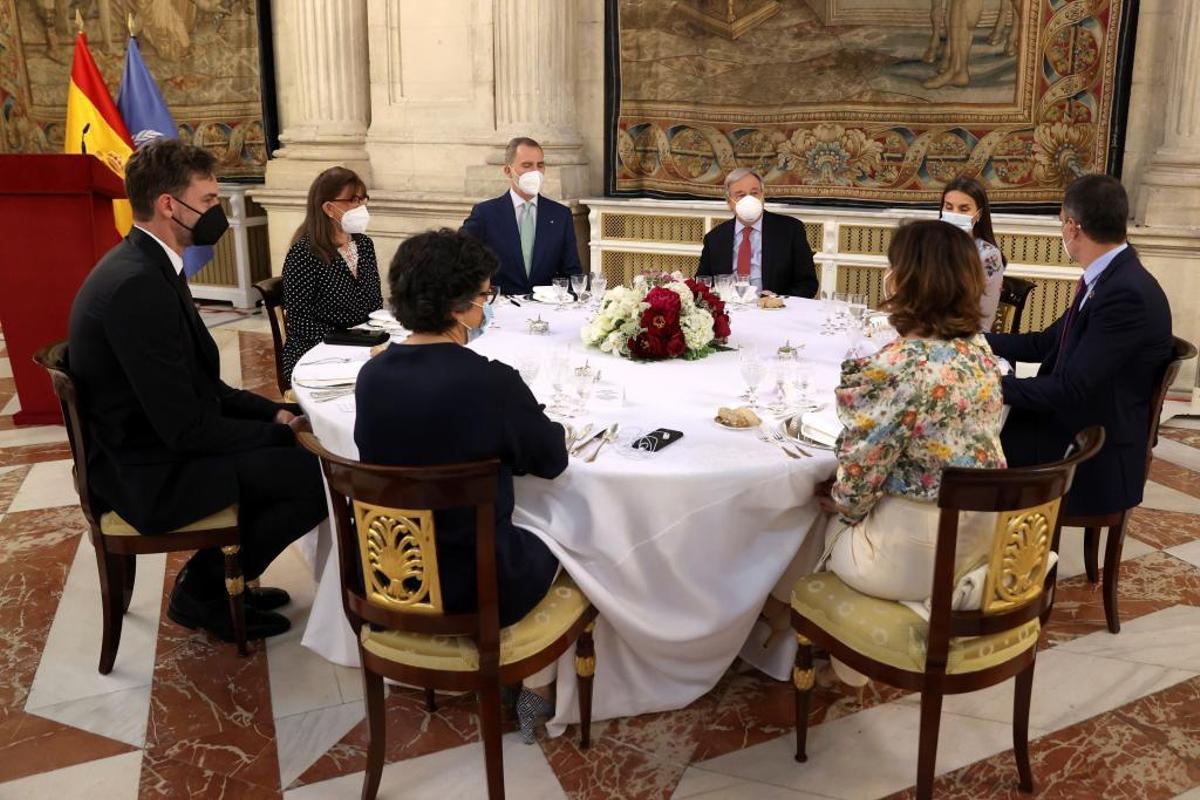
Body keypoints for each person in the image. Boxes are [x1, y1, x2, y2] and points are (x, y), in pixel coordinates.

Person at [68, 139, 328, 642]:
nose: (217, 211)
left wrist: (273, 415)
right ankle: (204, 591)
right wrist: (277, 435)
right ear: (170, 204)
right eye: (208, 200)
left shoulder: (149, 265)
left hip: (154, 444)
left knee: (294, 446)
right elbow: (185, 426)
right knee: (315, 475)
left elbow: (201, 387)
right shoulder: (137, 285)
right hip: (146, 470)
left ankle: (226, 579)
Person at [355, 228, 569, 743]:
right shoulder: (491, 381)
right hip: (482, 585)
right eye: (484, 296)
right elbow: (551, 460)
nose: (486, 307)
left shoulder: (372, 375)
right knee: (578, 542)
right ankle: (536, 687)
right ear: (461, 308)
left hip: (392, 577)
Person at [987, 175, 1173, 518]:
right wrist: (970, 338)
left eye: (1061, 225)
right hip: (1081, 421)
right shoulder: (1110, 276)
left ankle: (990, 553)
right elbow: (1044, 342)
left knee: (975, 450)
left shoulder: (1124, 294)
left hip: (1092, 451)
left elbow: (1070, 388)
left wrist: (979, 386)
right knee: (989, 426)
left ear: (1072, 227)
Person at [281, 167, 383, 383]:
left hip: (360, 346)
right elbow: (300, 323)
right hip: (317, 351)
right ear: (329, 208)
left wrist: (375, 339)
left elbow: (375, 304)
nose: (361, 206)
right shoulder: (304, 253)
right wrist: (349, 342)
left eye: (364, 199)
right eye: (354, 200)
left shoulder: (364, 245)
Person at [462, 136, 582, 296]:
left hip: (547, 310)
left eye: (540, 165)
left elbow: (573, 273)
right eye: (527, 165)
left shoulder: (561, 215)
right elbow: (461, 262)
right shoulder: (485, 214)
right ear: (507, 170)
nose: (535, 172)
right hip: (501, 308)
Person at [696, 168, 819, 298]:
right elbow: (702, 284)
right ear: (729, 202)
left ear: (762, 196)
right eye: (741, 195)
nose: (749, 200)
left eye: (754, 193)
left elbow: (807, 284)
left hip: (775, 312)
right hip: (730, 312)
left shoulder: (791, 230)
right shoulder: (715, 238)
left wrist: (778, 300)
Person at [939, 176, 1006, 327]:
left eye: (964, 209)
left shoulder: (988, 255)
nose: (954, 214)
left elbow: (970, 313)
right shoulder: (930, 245)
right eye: (949, 207)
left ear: (978, 214)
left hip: (968, 335)